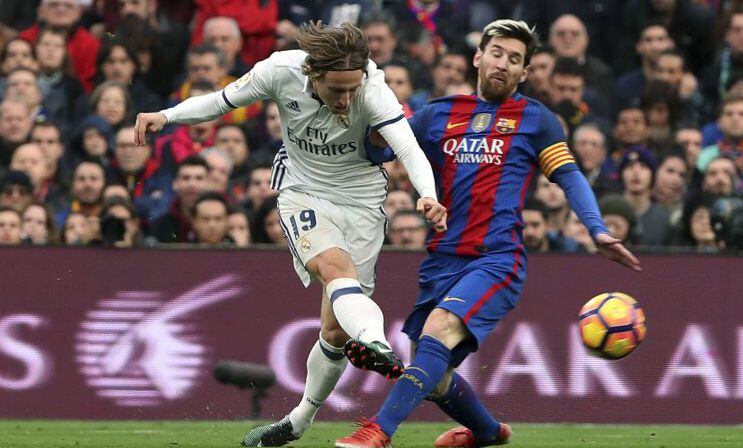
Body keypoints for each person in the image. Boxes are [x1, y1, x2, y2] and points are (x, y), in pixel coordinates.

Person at [133, 21, 446, 446]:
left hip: (362, 202)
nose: (347, 98)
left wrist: (427, 195)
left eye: (353, 89)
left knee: (335, 332)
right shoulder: (279, 71)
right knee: (334, 269)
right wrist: (165, 116)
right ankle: (378, 345)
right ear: (312, 74)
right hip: (303, 192)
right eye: (338, 89)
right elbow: (221, 102)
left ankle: (299, 420)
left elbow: (408, 148)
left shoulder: (373, 89)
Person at [336, 19, 640, 448]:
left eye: (515, 59)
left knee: (439, 331)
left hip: (497, 258)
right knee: (435, 373)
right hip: (443, 258)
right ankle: (487, 432)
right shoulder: (436, 114)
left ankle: (378, 431)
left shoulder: (537, 120)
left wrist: (598, 229)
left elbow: (569, 176)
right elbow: (376, 149)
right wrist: (365, 108)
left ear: (524, 73)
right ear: (479, 57)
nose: (503, 63)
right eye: (497, 53)